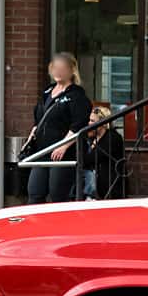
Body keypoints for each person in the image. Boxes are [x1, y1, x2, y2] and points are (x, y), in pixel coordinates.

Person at [22, 52, 91, 204]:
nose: (58, 72)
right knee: (35, 191)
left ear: (72, 70)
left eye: (63, 68)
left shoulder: (77, 95)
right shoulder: (47, 91)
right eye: (55, 68)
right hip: (42, 151)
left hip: (61, 155)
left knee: (58, 194)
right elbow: (39, 117)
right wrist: (33, 133)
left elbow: (79, 124)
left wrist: (63, 146)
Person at [86, 105, 128, 199]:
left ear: (104, 123)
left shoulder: (112, 137)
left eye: (93, 121)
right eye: (89, 120)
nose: (89, 123)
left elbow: (92, 158)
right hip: (97, 185)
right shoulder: (92, 137)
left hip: (111, 187)